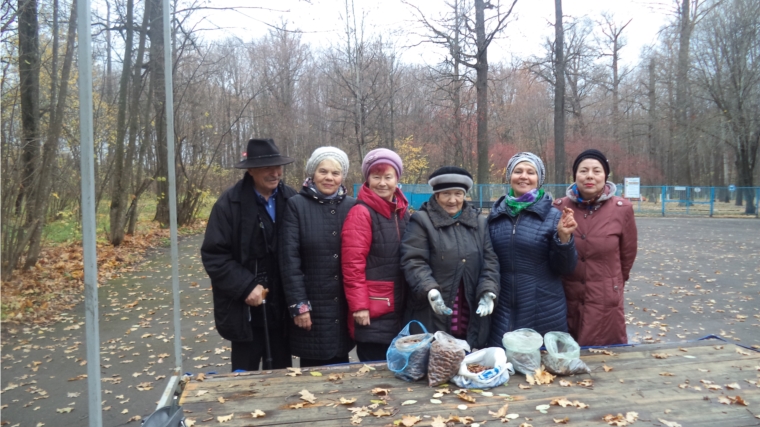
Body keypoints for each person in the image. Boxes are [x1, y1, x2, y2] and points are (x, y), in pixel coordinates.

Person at [201, 138, 296, 371]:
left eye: (278, 167)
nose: (275, 173)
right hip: (245, 309)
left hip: (282, 308)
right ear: (251, 170)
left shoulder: (292, 199)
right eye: (267, 168)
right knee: (245, 379)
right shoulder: (228, 204)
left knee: (281, 375)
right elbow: (214, 255)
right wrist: (245, 286)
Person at [400, 166, 500, 349]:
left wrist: (488, 291)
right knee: (437, 360)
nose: (453, 200)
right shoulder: (422, 221)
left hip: (469, 306)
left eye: (458, 194)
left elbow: (490, 261)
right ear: (437, 196)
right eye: (446, 194)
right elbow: (413, 260)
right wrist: (429, 289)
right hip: (433, 310)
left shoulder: (479, 222)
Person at [487, 152, 578, 347]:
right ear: (509, 176)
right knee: (504, 370)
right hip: (501, 311)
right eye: (518, 171)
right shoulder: (495, 216)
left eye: (531, 172)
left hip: (542, 310)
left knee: (539, 371)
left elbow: (566, 268)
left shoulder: (554, 217)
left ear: (539, 179)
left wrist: (564, 237)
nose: (524, 176)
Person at [279, 147, 356, 367]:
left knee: (342, 371)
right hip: (312, 306)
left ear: (343, 177)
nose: (329, 178)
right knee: (313, 372)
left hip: (343, 305)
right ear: (313, 173)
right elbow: (289, 261)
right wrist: (299, 307)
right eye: (323, 171)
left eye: (335, 173)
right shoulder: (297, 205)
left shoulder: (353, 206)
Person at [553, 149, 638, 346]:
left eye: (596, 171)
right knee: (566, 357)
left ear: (605, 176)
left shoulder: (622, 209)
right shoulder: (559, 207)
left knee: (605, 358)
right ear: (575, 175)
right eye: (583, 170)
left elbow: (627, 257)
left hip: (604, 298)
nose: (589, 175)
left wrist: (612, 285)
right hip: (567, 295)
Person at [341, 148, 410, 362]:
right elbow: (352, 265)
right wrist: (359, 306)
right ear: (367, 179)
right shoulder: (361, 212)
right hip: (374, 309)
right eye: (376, 177)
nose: (382, 183)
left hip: (399, 306)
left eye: (388, 177)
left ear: (396, 179)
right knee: (375, 374)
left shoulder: (401, 211)